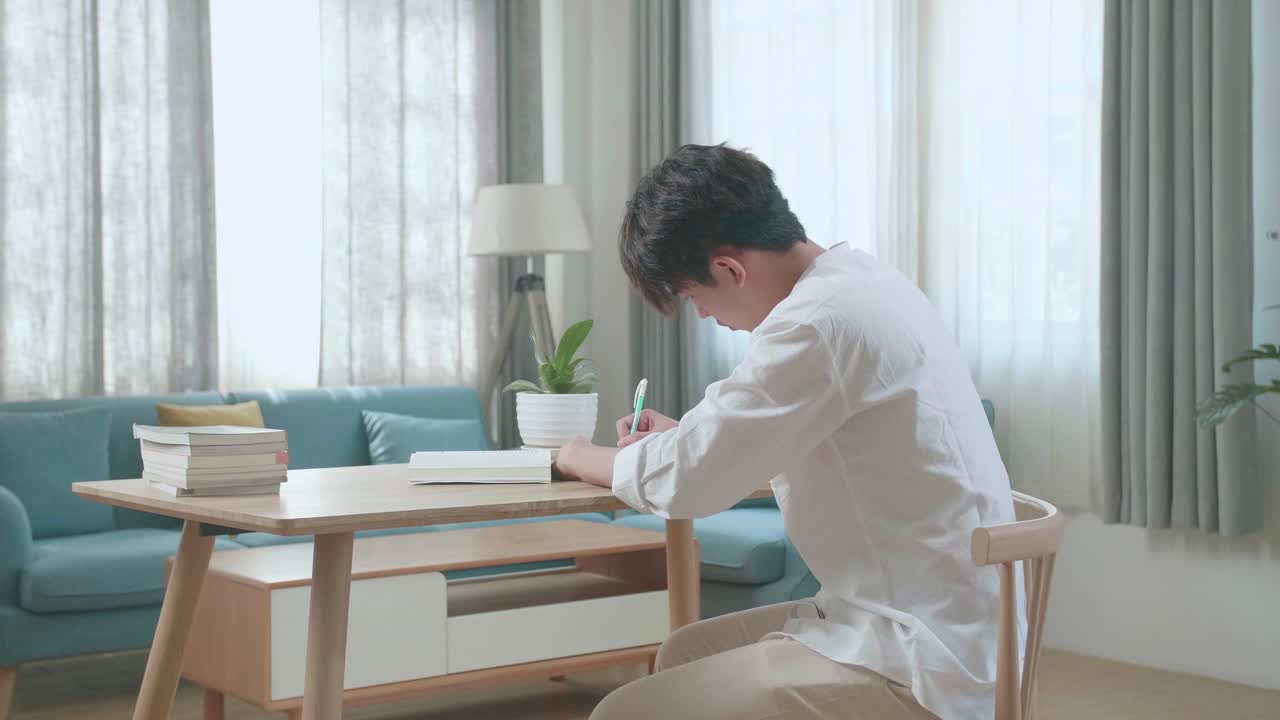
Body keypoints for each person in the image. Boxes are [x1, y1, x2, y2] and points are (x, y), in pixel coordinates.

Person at [553, 144, 1020, 720]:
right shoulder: (863, 281)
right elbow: (785, 430)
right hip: (950, 620)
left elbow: (687, 481)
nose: (702, 314)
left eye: (694, 296)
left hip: (917, 652)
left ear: (729, 268)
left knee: (618, 713)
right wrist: (688, 438)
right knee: (685, 649)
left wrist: (580, 455)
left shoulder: (816, 324)